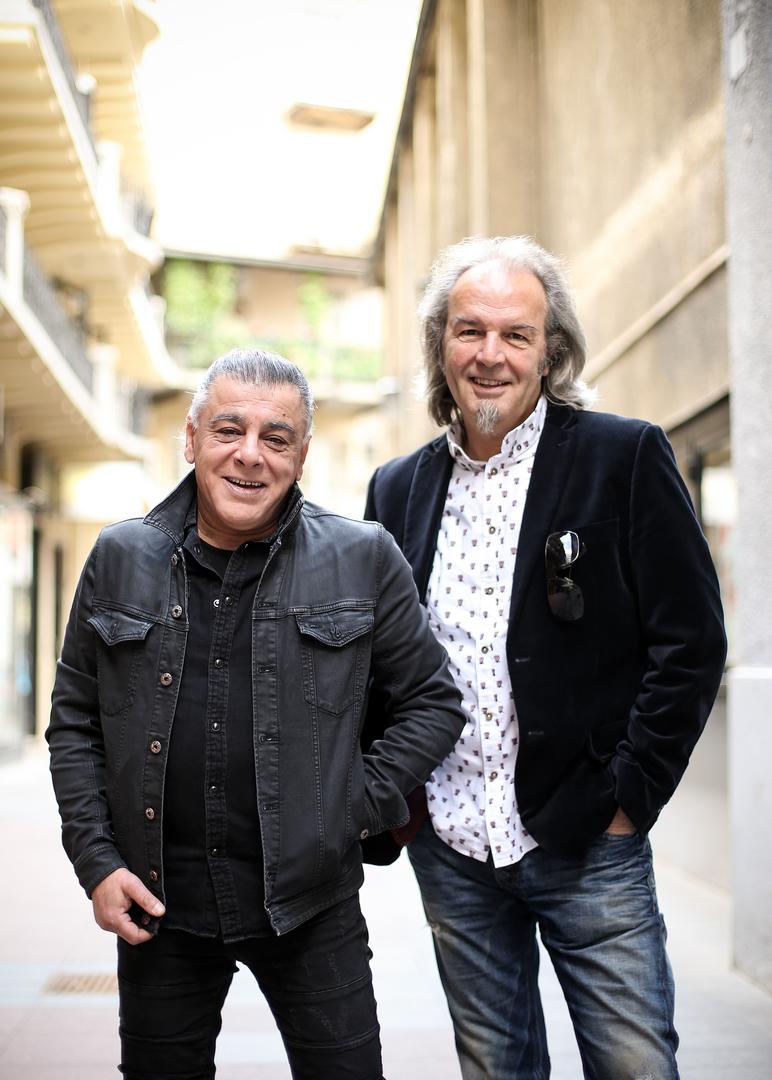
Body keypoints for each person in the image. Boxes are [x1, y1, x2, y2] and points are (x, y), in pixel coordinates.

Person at [47, 347, 466, 1080]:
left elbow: (433, 702)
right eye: (228, 430)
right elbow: (74, 723)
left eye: (276, 438)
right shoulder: (119, 556)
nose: (250, 455)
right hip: (160, 904)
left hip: (311, 904)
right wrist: (98, 864)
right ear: (191, 439)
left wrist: (348, 806)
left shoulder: (363, 556)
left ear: (301, 456)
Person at [364, 235, 727, 1080]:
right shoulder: (396, 488)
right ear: (440, 346)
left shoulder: (623, 455)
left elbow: (691, 640)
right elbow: (381, 659)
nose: (490, 354)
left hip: (589, 837)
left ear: (550, 351)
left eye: (515, 335)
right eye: (469, 330)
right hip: (454, 845)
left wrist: (629, 795)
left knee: (636, 1068)